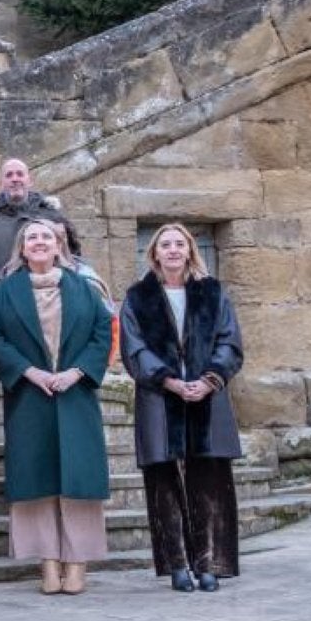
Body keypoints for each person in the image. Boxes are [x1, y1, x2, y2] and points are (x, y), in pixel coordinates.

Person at [0, 218, 112, 596]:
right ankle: (48, 564)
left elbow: (102, 334)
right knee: (36, 480)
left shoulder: (85, 289)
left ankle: (77, 564)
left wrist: (78, 372)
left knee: (79, 481)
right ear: (21, 249)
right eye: (31, 237)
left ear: (58, 245)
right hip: (29, 397)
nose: (39, 242)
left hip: (75, 395)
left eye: (46, 237)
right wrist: (27, 371)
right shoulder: (5, 293)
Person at [120, 223, 244, 594]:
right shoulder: (137, 297)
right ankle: (176, 564)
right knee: (164, 481)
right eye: (165, 245)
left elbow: (229, 340)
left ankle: (210, 563)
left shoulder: (213, 292)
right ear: (154, 253)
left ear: (190, 250)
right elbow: (133, 347)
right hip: (160, 397)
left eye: (180, 244)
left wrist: (209, 380)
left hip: (208, 396)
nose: (173, 250)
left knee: (209, 480)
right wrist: (168, 380)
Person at [0, 158, 74, 274]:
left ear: (30, 180)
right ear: (1, 183)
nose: (15, 179)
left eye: (20, 174)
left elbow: (72, 257)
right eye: (9, 175)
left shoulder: (53, 217)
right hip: (2, 290)